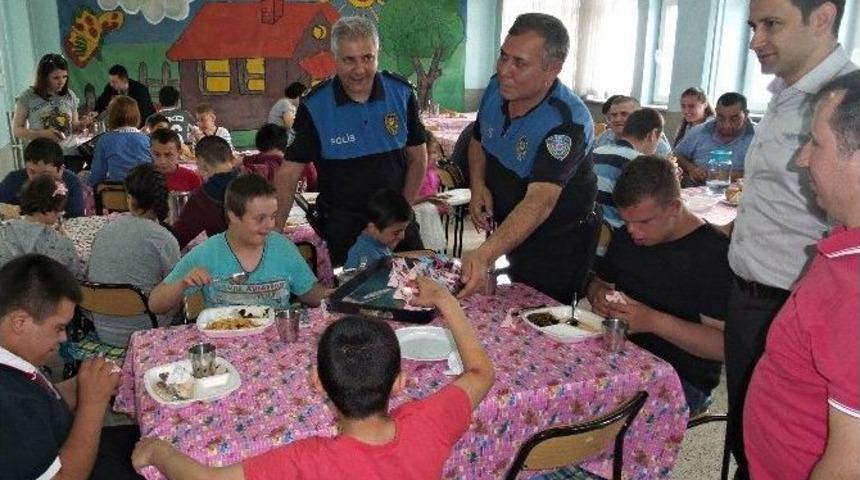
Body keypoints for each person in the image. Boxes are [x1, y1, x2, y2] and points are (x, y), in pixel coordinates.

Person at [133, 276, 494, 479]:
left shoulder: (309, 462)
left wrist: (158, 451)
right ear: (400, 382)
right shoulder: (429, 423)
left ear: (317, 382)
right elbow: (481, 372)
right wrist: (444, 298)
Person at [725, 1, 857, 476]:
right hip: (753, 295)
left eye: (771, 25)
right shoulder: (784, 93)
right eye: (752, 26)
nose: (755, 40)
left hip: (799, 304)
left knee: (795, 441)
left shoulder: (843, 105)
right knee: (752, 432)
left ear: (821, 18)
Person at [459, 13, 597, 303]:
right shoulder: (496, 88)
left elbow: (540, 202)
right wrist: (478, 185)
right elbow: (478, 140)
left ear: (553, 69)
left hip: (556, 246)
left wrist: (484, 254)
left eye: (519, 63)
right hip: (511, 230)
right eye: (503, 56)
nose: (504, 70)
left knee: (541, 315)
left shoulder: (567, 123)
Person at [276, 16, 427, 265]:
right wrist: (274, 236)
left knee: (417, 284)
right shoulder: (315, 105)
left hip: (396, 227)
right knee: (353, 291)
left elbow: (418, 159)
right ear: (334, 58)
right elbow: (288, 174)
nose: (359, 70)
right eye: (349, 60)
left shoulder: (401, 93)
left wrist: (401, 216)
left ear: (377, 55)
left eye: (367, 58)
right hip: (344, 230)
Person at [586, 155, 731, 414]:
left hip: (682, 378)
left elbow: (723, 346)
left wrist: (653, 321)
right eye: (626, 221)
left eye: (643, 222)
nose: (632, 230)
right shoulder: (628, 236)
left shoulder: (714, 254)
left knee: (597, 416)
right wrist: (598, 295)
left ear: (674, 207)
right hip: (621, 357)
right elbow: (599, 283)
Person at [0, 254, 143, 479]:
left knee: (158, 440)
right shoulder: (8, 403)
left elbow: (43, 405)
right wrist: (93, 404)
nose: (64, 337)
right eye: (58, 328)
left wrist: (82, 384)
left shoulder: (15, 360)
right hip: (70, 467)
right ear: (20, 322)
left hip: (66, 444)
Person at [149, 174, 329, 313]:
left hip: (276, 340)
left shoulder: (283, 248)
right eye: (260, 219)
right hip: (224, 340)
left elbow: (309, 292)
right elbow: (156, 305)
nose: (270, 225)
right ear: (233, 216)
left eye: (273, 216)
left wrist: (337, 296)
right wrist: (182, 284)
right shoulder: (207, 253)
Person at [87, 164, 180, 347]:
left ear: (129, 198)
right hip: (147, 332)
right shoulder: (163, 239)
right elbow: (173, 300)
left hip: (103, 330)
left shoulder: (104, 231)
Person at [12, 53, 94, 171]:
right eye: (56, 78)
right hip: (43, 157)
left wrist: (82, 124)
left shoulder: (69, 95)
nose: (61, 82)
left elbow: (74, 126)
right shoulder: (28, 97)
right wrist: (42, 134)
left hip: (69, 154)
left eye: (64, 77)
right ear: (44, 77)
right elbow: (17, 130)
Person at [593, 108, 664, 228]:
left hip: (588, 228)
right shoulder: (640, 161)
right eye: (660, 138)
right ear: (653, 134)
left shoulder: (597, 152)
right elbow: (652, 210)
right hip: (618, 232)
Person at [0, 175, 80, 277]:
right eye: (60, 210)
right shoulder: (62, 244)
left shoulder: (3, 231)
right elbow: (76, 276)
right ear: (51, 210)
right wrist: (65, 238)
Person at [171, 136, 239, 249]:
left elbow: (177, 239)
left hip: (227, 256)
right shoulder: (252, 180)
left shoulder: (204, 197)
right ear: (232, 158)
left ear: (201, 164)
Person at [674, 92, 755, 186]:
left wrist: (733, 175)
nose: (727, 125)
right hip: (699, 189)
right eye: (721, 118)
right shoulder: (699, 131)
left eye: (734, 119)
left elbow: (766, 172)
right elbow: (676, 155)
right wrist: (691, 168)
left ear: (746, 114)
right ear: (716, 112)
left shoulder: (758, 137)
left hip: (741, 191)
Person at [0, 138, 85, 218]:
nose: (38, 179)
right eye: (32, 172)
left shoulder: (71, 182)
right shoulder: (14, 180)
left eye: (45, 174)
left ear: (61, 170)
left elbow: (76, 218)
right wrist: (3, 208)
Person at [88, 95, 152, 187]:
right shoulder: (147, 139)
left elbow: (96, 177)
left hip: (116, 193)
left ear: (112, 115)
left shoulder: (105, 140)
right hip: (144, 192)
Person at [345, 189, 413, 269]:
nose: (402, 236)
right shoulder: (366, 257)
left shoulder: (379, 243)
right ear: (372, 228)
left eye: (404, 229)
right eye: (396, 232)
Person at [241, 123, 317, 191]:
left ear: (260, 146)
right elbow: (314, 185)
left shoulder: (263, 168)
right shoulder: (306, 164)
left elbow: (240, 173)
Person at [594, 96, 673, 157]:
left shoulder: (656, 143)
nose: (617, 119)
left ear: (638, 116)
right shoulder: (605, 137)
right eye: (614, 115)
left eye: (624, 114)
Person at [150, 128, 202, 193]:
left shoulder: (191, 178)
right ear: (150, 151)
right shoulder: (142, 178)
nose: (162, 161)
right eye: (157, 154)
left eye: (168, 155)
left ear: (179, 153)